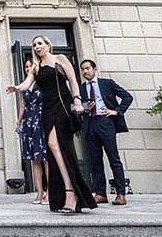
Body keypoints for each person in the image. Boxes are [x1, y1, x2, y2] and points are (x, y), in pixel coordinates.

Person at [6, 36, 97, 214]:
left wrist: (77, 100)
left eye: (40, 43)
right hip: (46, 110)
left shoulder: (60, 59)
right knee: (54, 147)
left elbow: (72, 81)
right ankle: (66, 193)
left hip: (62, 105)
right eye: (34, 45)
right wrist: (17, 87)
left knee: (55, 145)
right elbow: (26, 84)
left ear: (48, 45)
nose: (37, 46)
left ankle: (71, 193)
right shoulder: (35, 67)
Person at [78, 59, 134, 206]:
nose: (85, 71)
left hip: (105, 122)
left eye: (88, 68)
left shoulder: (107, 83)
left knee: (114, 160)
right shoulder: (81, 88)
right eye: (83, 69)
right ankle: (100, 193)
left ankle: (121, 194)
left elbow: (128, 97)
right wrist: (85, 107)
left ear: (94, 69)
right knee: (95, 162)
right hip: (89, 125)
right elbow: (75, 107)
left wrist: (117, 111)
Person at [15, 58, 48, 204]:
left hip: (41, 119)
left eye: (30, 66)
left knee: (46, 159)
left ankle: (50, 192)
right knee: (35, 160)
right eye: (26, 67)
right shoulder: (24, 86)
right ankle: (39, 192)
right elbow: (22, 105)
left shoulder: (41, 82)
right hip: (29, 121)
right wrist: (18, 120)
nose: (28, 69)